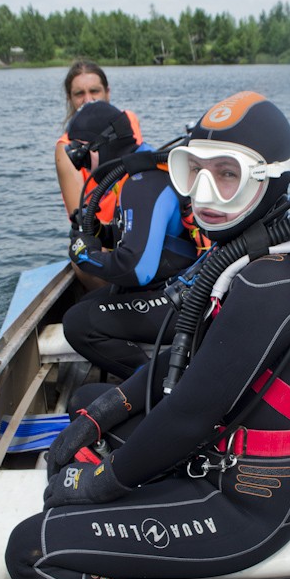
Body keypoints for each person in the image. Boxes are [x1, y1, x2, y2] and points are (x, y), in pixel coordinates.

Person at [6, 91, 290, 579]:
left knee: (31, 547)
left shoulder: (273, 283)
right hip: (220, 452)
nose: (204, 195)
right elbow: (188, 363)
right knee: (87, 400)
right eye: (193, 171)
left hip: (246, 505)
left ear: (270, 180)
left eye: (227, 175)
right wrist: (102, 411)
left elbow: (186, 416)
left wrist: (102, 483)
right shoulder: (247, 259)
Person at [62, 99, 200, 378]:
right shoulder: (143, 174)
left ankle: (156, 389)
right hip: (181, 285)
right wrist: (101, 233)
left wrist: (84, 255)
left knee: (78, 323)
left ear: (98, 147)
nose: (81, 167)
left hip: (190, 299)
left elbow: (136, 269)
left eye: (81, 155)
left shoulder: (142, 184)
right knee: (87, 306)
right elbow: (151, 237)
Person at [55, 60, 113, 221]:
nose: (88, 100)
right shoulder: (67, 149)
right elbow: (81, 216)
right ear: (70, 98)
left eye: (94, 91)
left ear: (107, 93)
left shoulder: (127, 131)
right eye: (79, 94)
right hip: (102, 239)